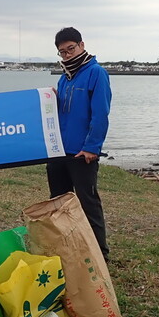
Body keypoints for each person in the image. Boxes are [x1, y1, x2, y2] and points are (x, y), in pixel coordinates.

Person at [48, 27, 112, 260]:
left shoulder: (96, 73)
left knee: (88, 202)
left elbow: (100, 114)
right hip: (58, 152)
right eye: (62, 52)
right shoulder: (65, 77)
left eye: (71, 49)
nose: (67, 55)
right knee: (59, 203)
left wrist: (92, 147)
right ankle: (67, 249)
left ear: (82, 45)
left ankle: (99, 253)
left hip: (82, 153)